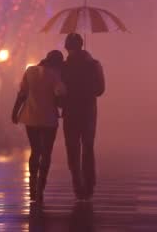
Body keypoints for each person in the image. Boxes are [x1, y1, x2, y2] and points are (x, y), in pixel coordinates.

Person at [12, 50, 66, 203]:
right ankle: (41, 186)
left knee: (35, 151)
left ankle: (32, 185)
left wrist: (15, 112)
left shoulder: (30, 71)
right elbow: (60, 95)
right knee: (46, 153)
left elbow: (22, 93)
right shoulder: (55, 75)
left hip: (31, 117)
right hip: (49, 119)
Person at [62, 33, 105, 200]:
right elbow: (100, 90)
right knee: (88, 147)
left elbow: (58, 91)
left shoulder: (64, 67)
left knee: (72, 148)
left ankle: (77, 184)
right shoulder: (94, 64)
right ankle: (89, 183)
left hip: (70, 111)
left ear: (67, 47)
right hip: (88, 111)